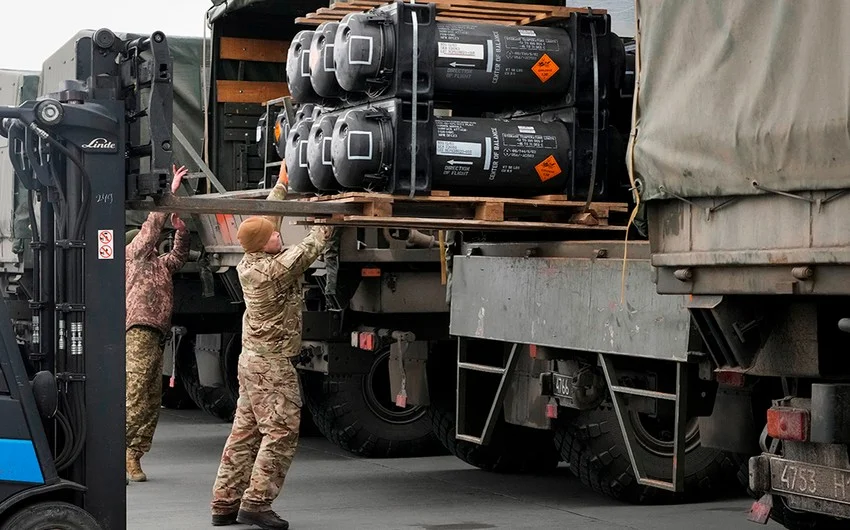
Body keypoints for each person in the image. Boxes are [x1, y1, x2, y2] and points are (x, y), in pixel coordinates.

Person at [210, 167, 335, 529]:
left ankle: (224, 503)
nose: (278, 234)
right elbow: (314, 244)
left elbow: (268, 218)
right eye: (273, 236)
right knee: (280, 432)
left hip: (252, 363)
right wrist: (332, 211)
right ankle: (256, 503)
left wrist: (281, 184)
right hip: (271, 366)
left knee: (245, 432)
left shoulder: (251, 260)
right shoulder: (271, 270)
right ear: (264, 245)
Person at [125, 165, 190, 482]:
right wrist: (171, 193)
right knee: (136, 394)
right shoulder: (133, 256)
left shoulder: (160, 265)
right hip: (138, 332)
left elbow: (179, 256)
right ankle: (117, 450)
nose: (152, 242)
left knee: (152, 400)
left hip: (156, 335)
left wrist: (181, 230)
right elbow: (150, 228)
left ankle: (133, 456)